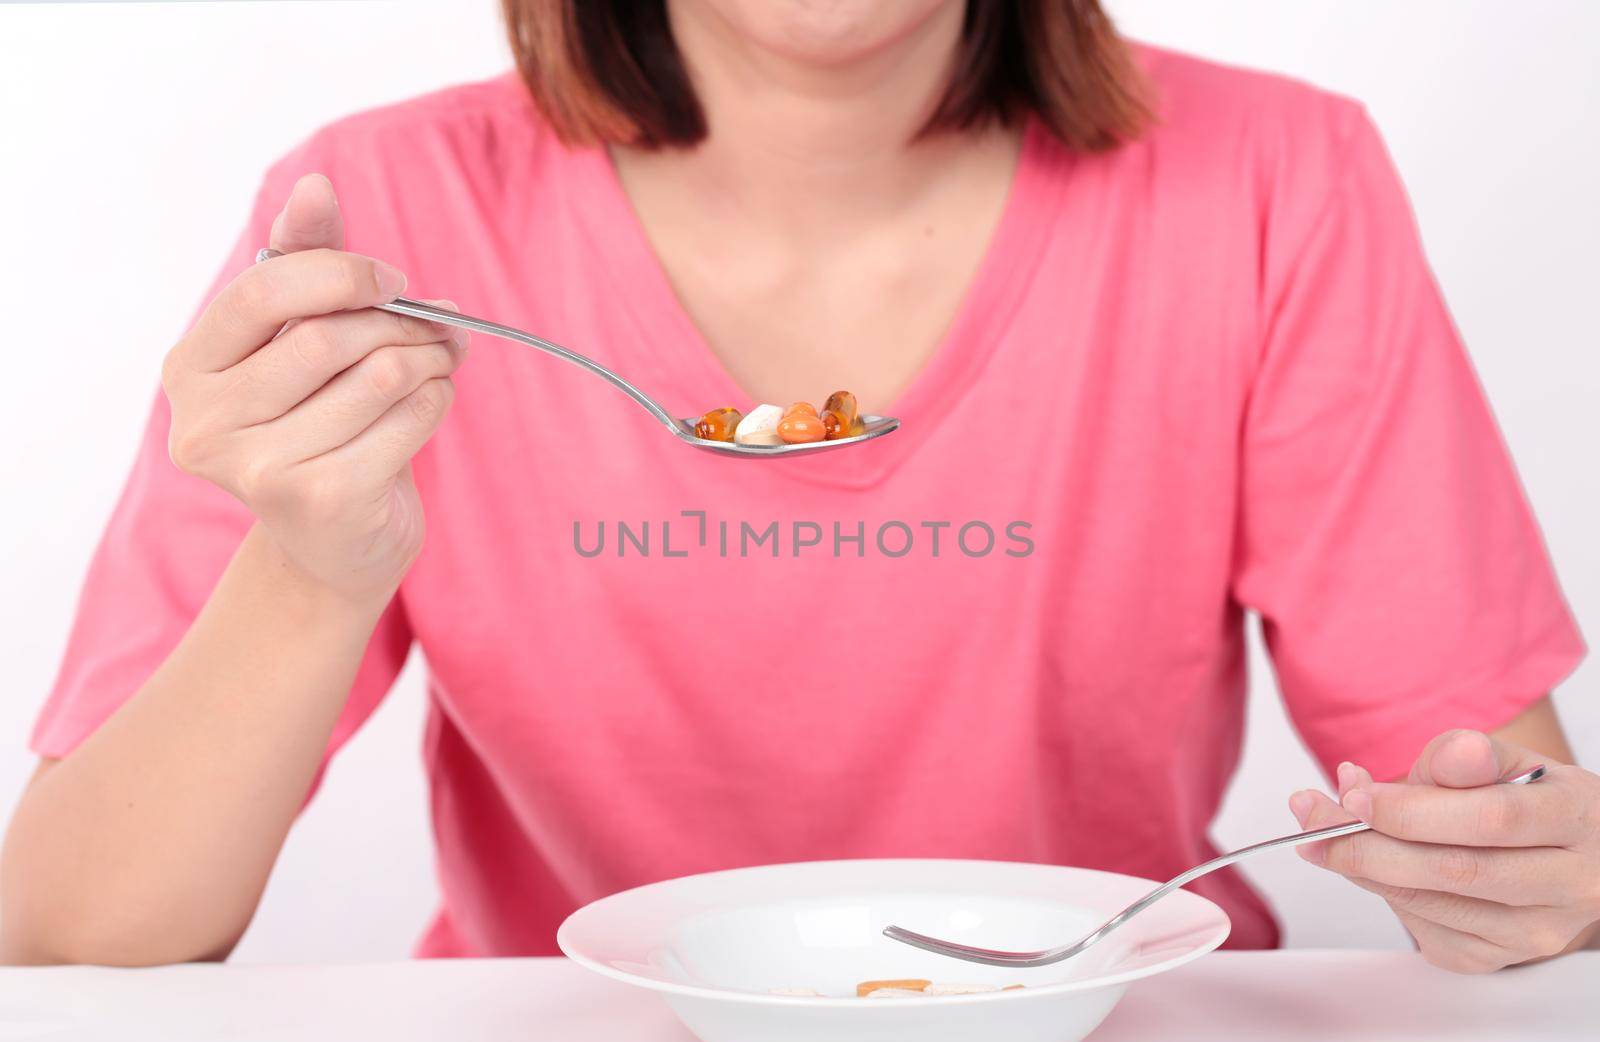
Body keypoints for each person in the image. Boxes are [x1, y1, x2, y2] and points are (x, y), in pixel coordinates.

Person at [3, 0, 1595, 973]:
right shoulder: (381, 225)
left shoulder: (1274, 180)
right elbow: (70, 931)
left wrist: (1523, 875)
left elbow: (1511, 826)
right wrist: (312, 564)